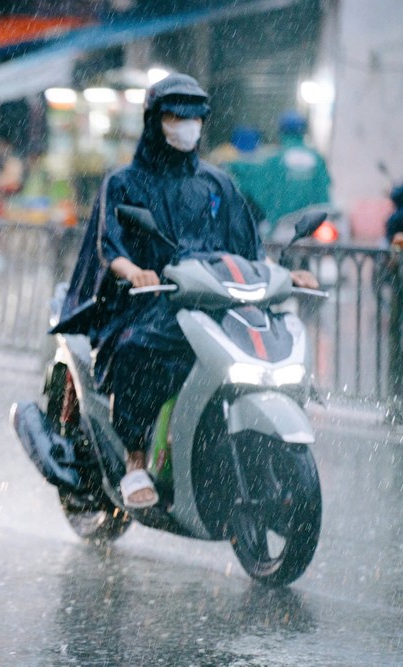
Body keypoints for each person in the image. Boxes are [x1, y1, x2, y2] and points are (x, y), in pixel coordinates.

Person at [53, 73, 318, 509]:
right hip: (148, 301)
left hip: (214, 301)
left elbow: (248, 247)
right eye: (176, 116)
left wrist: (286, 275)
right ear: (155, 120)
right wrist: (136, 271)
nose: (186, 125)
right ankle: (135, 461)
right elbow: (109, 247)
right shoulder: (123, 182)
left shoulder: (218, 183)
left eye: (194, 117)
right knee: (139, 351)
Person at [247, 110, 333, 239]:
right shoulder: (316, 158)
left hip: (281, 227)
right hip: (315, 226)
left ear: (281, 131)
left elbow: (262, 191)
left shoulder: (274, 160)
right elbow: (325, 188)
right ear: (304, 130)